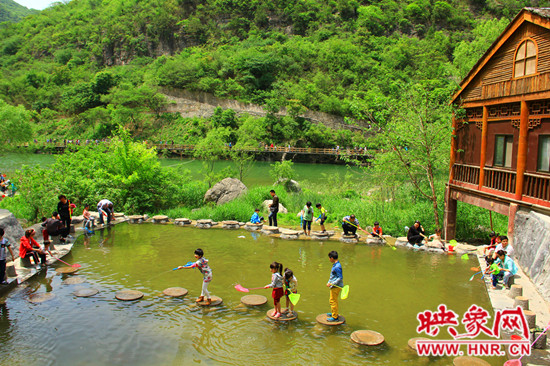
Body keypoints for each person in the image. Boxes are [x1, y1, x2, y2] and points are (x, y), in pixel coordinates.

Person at [326, 250, 343, 322]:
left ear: (332, 258)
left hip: (336, 287)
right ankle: (334, 312)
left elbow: (340, 278)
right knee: (333, 300)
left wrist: (332, 283)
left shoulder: (337, 267)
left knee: (333, 301)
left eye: (329, 258)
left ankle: (335, 317)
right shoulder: (336, 265)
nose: (329, 259)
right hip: (334, 286)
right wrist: (329, 282)